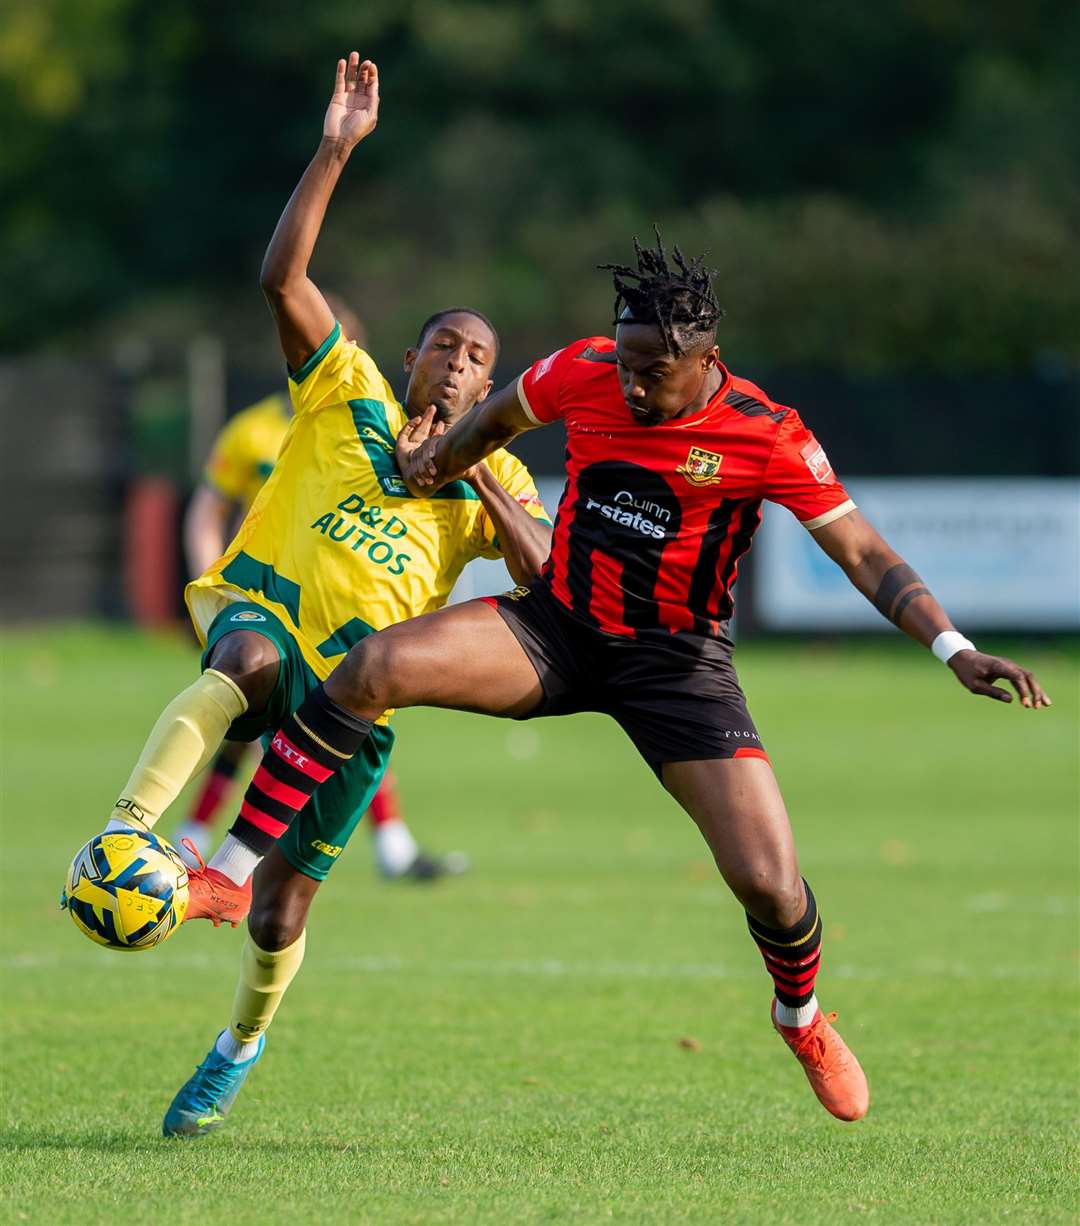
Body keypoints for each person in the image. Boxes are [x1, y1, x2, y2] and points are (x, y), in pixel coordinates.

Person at [216, 221, 1051, 1127]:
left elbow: (862, 553)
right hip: (556, 630)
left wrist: (953, 646)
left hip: (678, 668)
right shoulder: (584, 367)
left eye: (654, 369)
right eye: (625, 361)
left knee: (770, 884)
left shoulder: (765, 435)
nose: (632, 382)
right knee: (373, 666)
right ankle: (228, 866)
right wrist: (435, 463)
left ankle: (802, 1017)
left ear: (707, 360)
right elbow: (493, 421)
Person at [83, 54, 552, 1135]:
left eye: (477, 357)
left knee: (287, 902)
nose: (456, 360)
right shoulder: (348, 393)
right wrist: (335, 148)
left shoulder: (506, 477)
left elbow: (543, 577)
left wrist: (476, 461)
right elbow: (282, 282)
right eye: (443, 342)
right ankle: (129, 833)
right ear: (410, 354)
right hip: (274, 619)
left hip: (354, 695)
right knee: (239, 662)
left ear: (491, 386)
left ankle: (238, 1043)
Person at [176, 300, 466, 883]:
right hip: (262, 598)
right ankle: (202, 846)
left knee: (342, 719)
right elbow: (207, 511)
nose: (339, 352)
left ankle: (200, 844)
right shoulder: (252, 430)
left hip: (332, 605)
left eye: (349, 344)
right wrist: (212, 587)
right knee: (270, 718)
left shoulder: (370, 425)